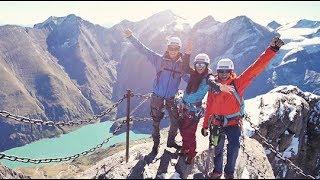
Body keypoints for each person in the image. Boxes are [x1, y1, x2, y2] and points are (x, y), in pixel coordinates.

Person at [201, 37, 284, 179]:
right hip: (216, 122)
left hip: (233, 123)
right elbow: (209, 106)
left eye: (226, 71)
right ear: (218, 72)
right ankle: (217, 171)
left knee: (234, 147)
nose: (223, 74)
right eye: (221, 72)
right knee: (217, 148)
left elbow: (255, 69)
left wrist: (272, 50)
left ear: (231, 71)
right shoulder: (214, 87)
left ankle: (229, 172)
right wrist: (205, 125)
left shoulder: (238, 84)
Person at [123, 29, 192, 155]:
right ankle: (155, 145)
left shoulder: (182, 66)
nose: (173, 51)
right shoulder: (159, 60)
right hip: (157, 97)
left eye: (175, 48)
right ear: (167, 48)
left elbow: (190, 79)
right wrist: (131, 37)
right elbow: (144, 50)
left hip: (171, 98)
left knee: (175, 121)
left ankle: (170, 142)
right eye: (171, 48)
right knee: (156, 122)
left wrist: (207, 79)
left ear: (179, 49)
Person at [178, 53, 233, 165]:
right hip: (185, 107)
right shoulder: (194, 74)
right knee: (183, 129)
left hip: (194, 110)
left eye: (202, 64)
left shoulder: (208, 77)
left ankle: (191, 153)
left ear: (206, 65)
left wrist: (219, 87)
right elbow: (184, 67)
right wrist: (187, 54)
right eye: (197, 64)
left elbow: (212, 82)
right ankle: (185, 147)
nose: (200, 66)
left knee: (189, 132)